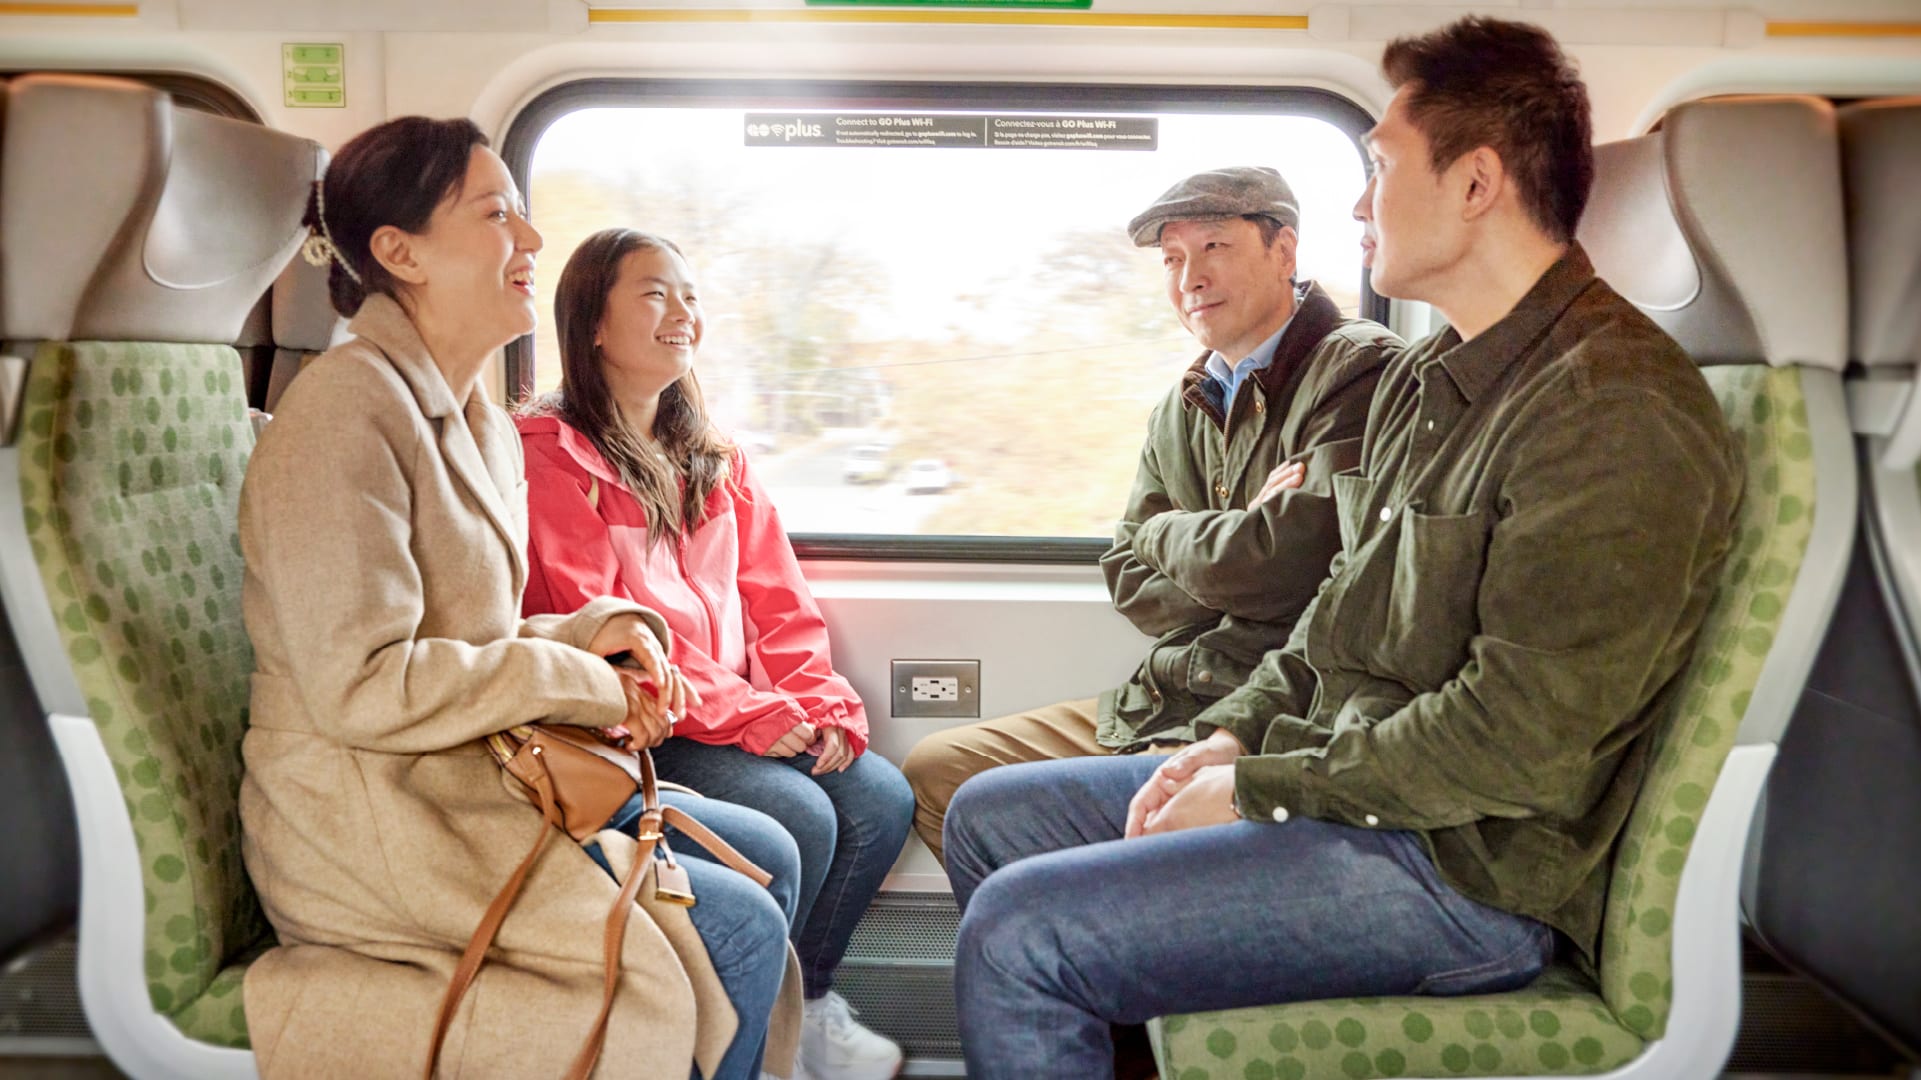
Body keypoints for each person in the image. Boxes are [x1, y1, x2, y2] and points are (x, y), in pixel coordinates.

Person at [937, 17, 1745, 1079]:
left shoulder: (1612, 410)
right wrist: (1224, 742)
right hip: (1356, 787)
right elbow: (1333, 625)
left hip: (1462, 869)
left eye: (1378, 166)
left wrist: (1265, 788)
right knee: (991, 820)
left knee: (1018, 933)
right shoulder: (1429, 382)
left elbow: (1515, 744)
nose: (1359, 204)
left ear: (1474, 184)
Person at [237, 118, 802, 1080]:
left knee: (769, 851)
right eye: (497, 213)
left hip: (469, 770)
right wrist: (580, 680)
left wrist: (609, 633)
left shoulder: (477, 417)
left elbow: (471, 634)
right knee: (740, 927)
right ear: (398, 251)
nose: (533, 242)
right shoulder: (342, 412)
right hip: (374, 817)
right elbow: (362, 684)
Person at [902, 166, 1401, 865]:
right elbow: (1129, 580)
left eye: (1215, 248)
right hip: (1168, 691)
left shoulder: (1361, 372)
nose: (1189, 278)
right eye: (1173, 259)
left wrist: (1169, 537)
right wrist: (1222, 546)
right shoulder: (1183, 405)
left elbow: (1279, 566)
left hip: (1275, 708)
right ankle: (1055, 951)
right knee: (938, 771)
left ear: (1284, 252)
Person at [517, 228, 915, 1080]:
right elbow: (606, 625)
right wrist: (750, 716)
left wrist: (819, 702)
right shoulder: (553, 454)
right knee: (800, 817)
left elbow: (778, 603)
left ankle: (804, 1009)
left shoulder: (714, 457)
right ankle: (753, 1032)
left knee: (879, 795)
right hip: (643, 721)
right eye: (655, 294)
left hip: (734, 712)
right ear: (591, 322)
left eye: (690, 295)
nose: (682, 313)